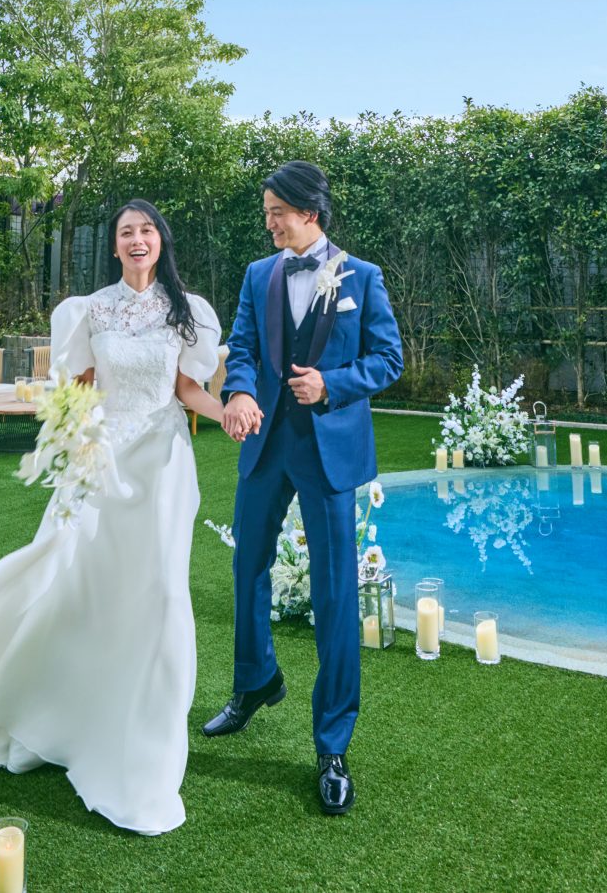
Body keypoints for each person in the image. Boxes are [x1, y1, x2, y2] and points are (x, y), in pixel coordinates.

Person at [0, 199, 227, 836]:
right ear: (114, 247)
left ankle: (144, 754)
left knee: (162, 595)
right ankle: (56, 713)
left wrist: (227, 411)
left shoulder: (188, 311)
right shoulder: (89, 310)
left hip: (163, 468)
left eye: (146, 230)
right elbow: (79, 388)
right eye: (126, 232)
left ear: (161, 241)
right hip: (103, 463)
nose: (137, 239)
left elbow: (187, 390)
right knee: (76, 587)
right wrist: (72, 441)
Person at [203, 159, 404, 816]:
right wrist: (238, 391)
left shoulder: (362, 277)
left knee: (335, 593)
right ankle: (255, 682)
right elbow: (241, 347)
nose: (268, 224)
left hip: (328, 452)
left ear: (309, 212)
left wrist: (331, 384)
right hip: (266, 444)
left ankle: (332, 745)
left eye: (277, 213)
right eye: (266, 213)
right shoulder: (258, 274)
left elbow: (388, 360)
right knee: (247, 567)